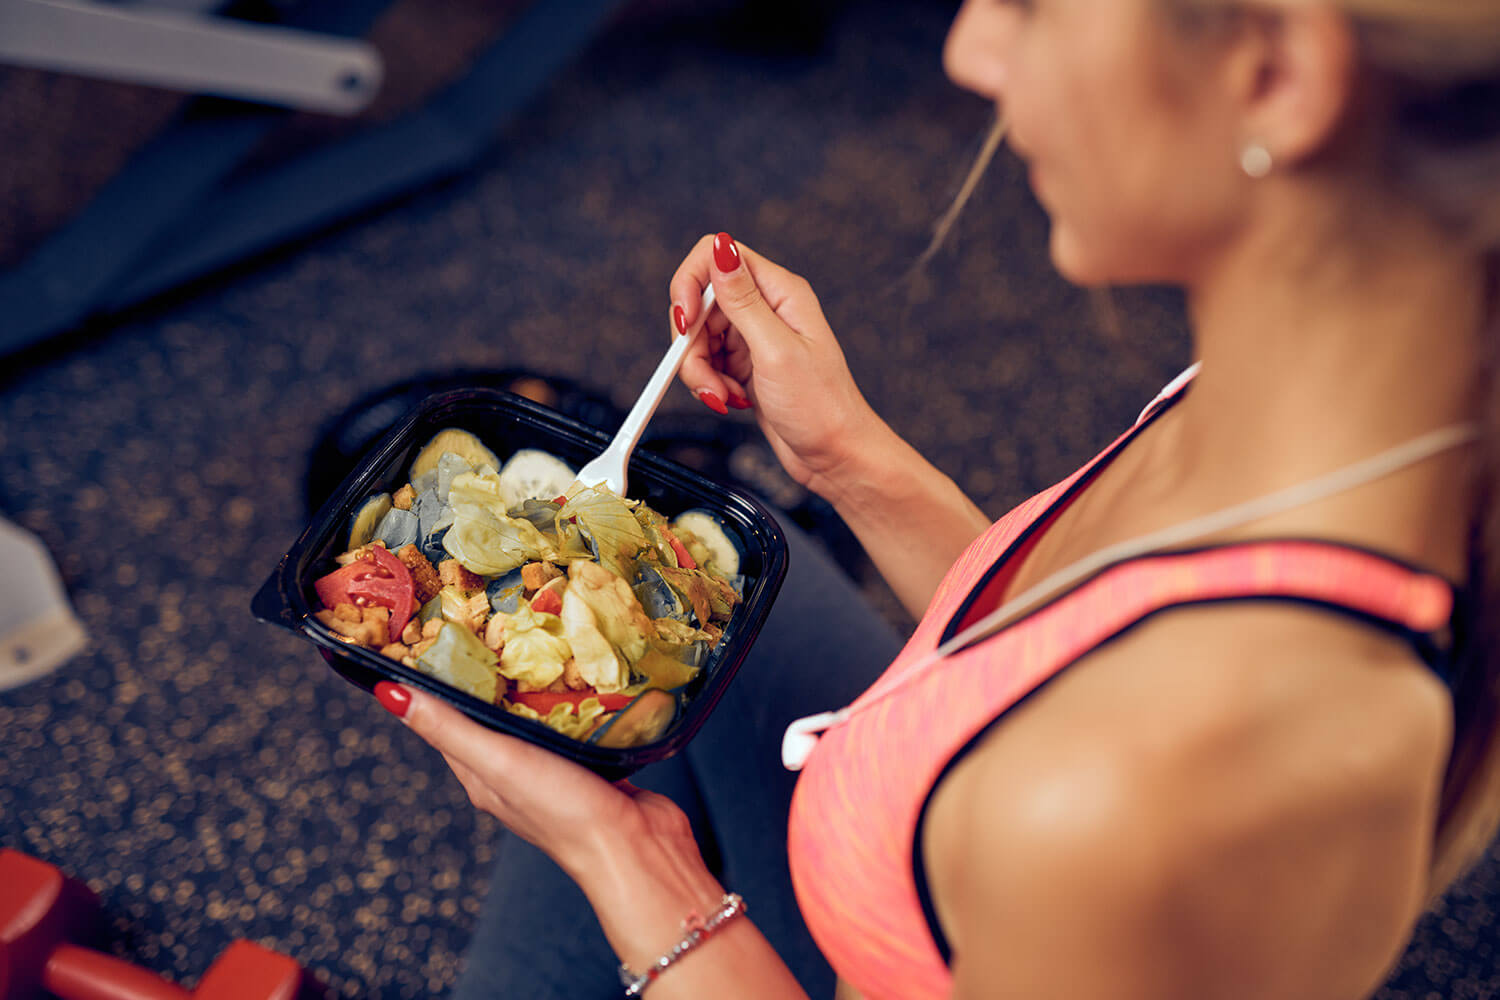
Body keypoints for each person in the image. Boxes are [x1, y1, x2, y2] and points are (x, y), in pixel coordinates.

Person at [369, 0, 1500, 996]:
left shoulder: (1135, 802)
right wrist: (846, 456)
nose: (966, 49)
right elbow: (1061, 646)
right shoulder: (1318, 400)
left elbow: (1095, 737)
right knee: (725, 578)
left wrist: (634, 866)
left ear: (1276, 74)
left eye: (1027, 3)